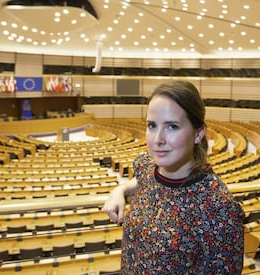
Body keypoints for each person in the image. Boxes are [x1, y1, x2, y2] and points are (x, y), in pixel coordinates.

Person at [103, 80, 244, 274]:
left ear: (198, 133)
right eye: (152, 126)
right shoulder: (147, 167)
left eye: (172, 127)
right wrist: (119, 190)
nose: (158, 139)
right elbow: (141, 181)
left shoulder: (218, 208)